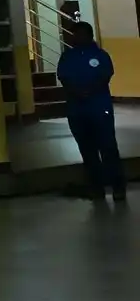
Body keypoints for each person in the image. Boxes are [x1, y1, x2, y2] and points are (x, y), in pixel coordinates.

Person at [57, 22, 127, 204]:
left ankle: (118, 187)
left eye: (79, 34)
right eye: (74, 35)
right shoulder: (67, 57)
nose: (75, 38)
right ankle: (97, 188)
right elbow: (63, 77)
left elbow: (106, 75)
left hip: (99, 108)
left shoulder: (100, 55)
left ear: (88, 35)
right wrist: (76, 92)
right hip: (77, 110)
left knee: (108, 148)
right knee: (88, 152)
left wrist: (89, 91)